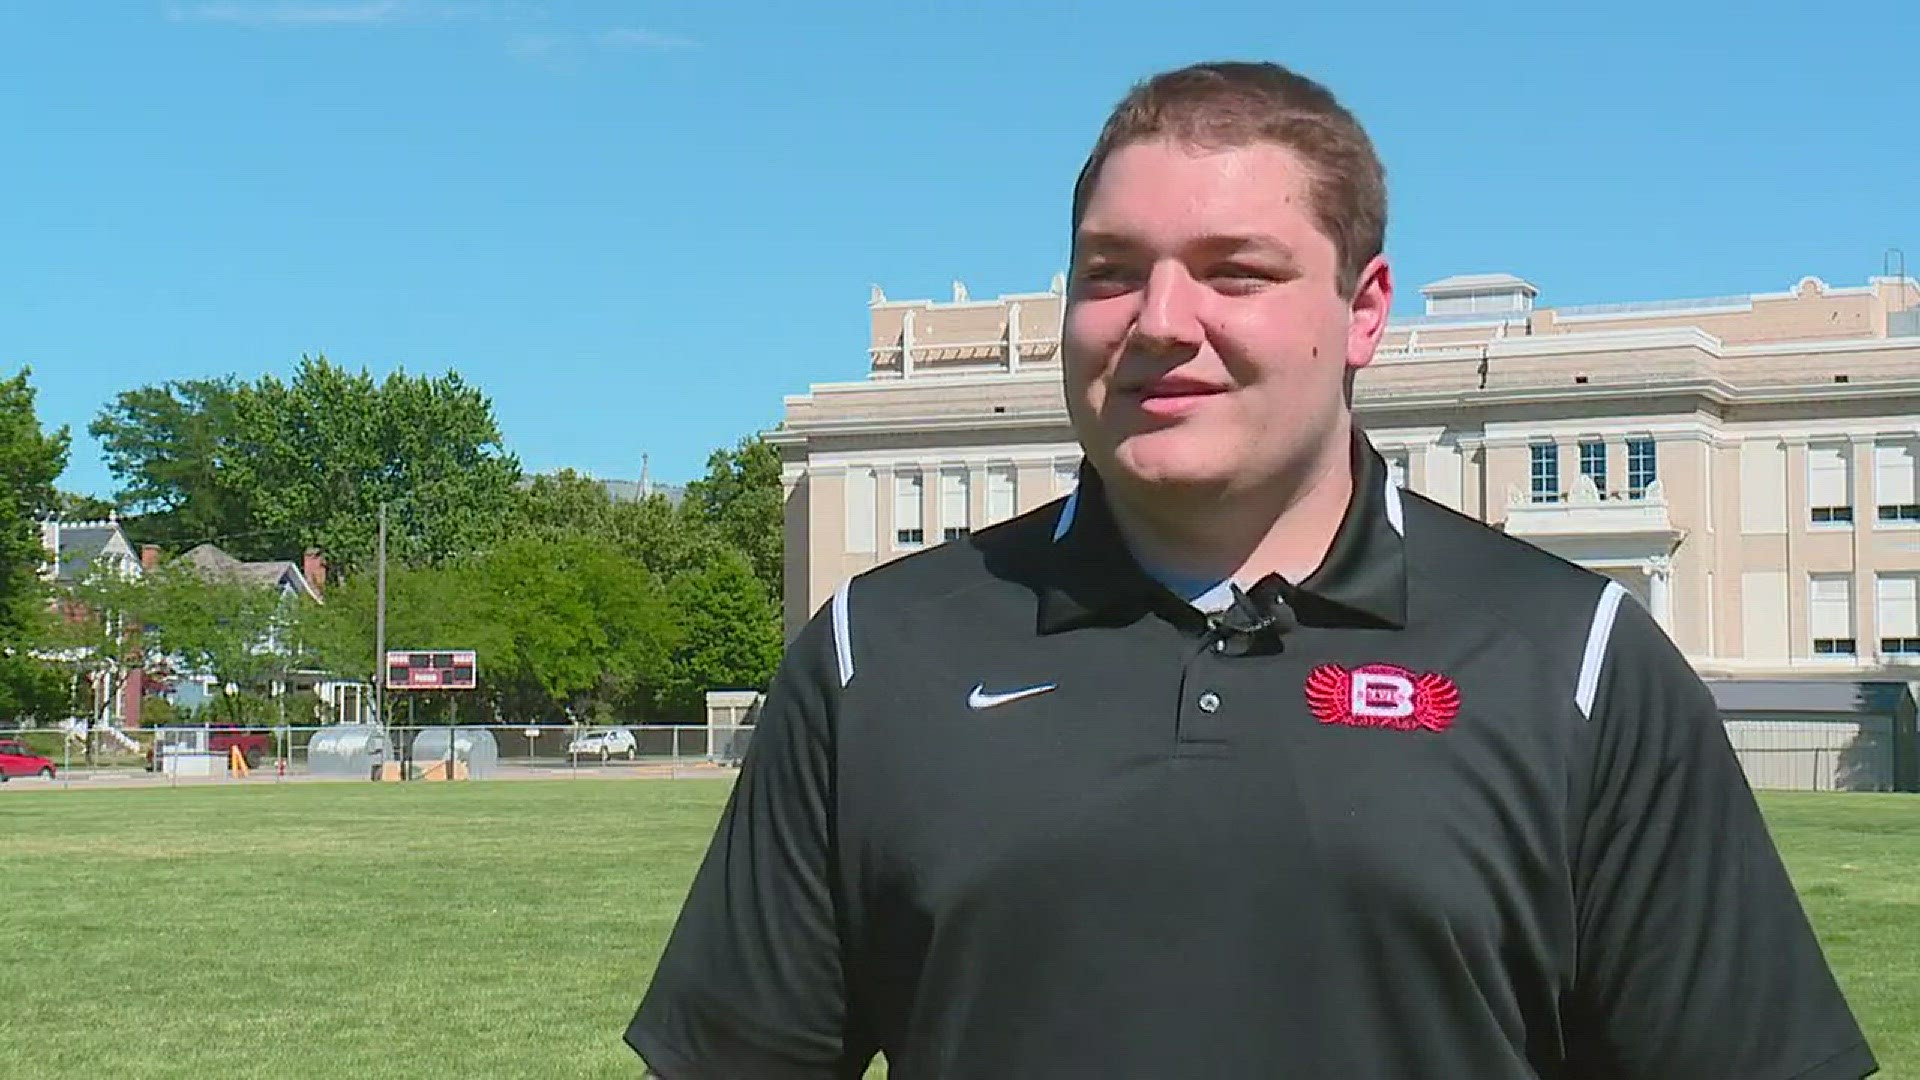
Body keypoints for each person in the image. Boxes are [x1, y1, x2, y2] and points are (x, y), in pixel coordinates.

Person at [626, 60, 1878, 1079]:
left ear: (1365, 313)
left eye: (1237, 272)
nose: (1161, 320)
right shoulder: (877, 657)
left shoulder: (1579, 664)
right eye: (1111, 273)